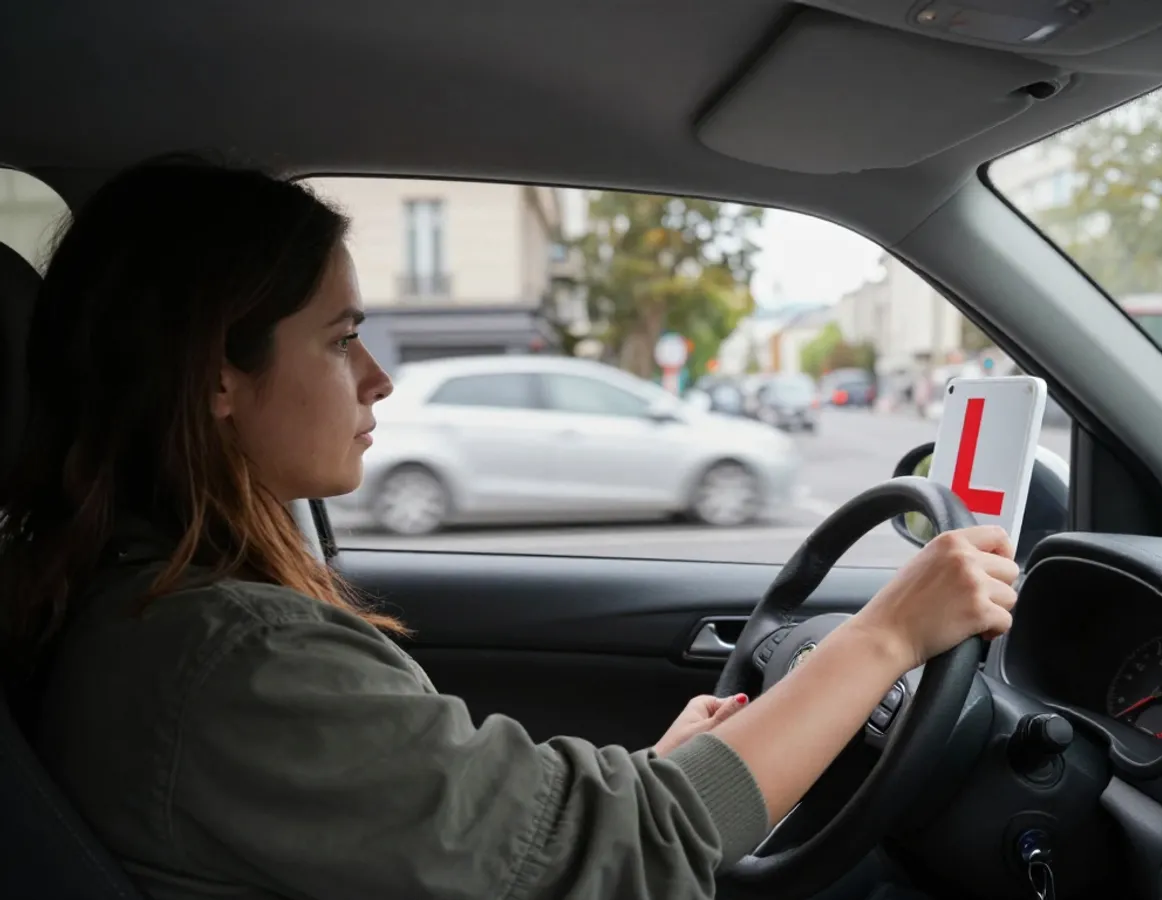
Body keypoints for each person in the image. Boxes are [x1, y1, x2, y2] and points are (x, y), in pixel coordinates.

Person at [0, 157, 1019, 900]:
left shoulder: (149, 613)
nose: (378, 378)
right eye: (342, 337)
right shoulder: (230, 662)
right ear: (217, 372)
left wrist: (661, 777)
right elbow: (643, 845)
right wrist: (885, 636)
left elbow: (553, 833)